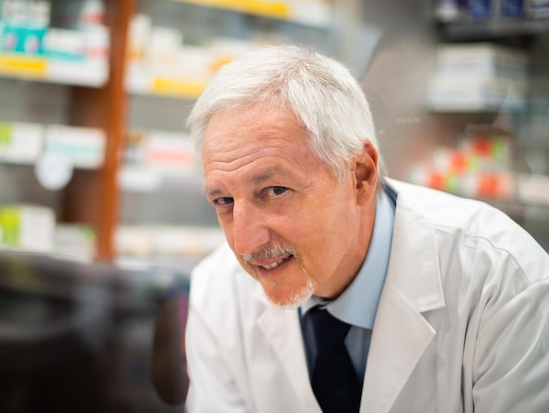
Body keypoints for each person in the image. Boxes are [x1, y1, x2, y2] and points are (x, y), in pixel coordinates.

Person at [183, 44, 549, 413]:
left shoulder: (502, 283)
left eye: (275, 191)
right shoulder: (218, 293)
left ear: (360, 176)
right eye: (224, 201)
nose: (244, 241)